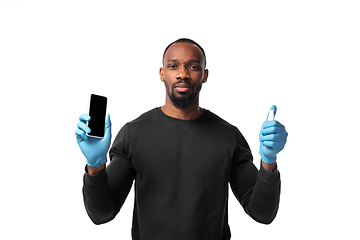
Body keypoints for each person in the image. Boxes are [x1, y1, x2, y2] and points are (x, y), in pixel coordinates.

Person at [75, 38, 288, 240]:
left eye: (193, 67)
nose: (182, 74)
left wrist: (268, 161)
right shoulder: (133, 134)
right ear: (162, 73)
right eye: (173, 66)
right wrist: (95, 165)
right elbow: (102, 214)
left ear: (204, 75)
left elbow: (262, 213)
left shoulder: (228, 137)